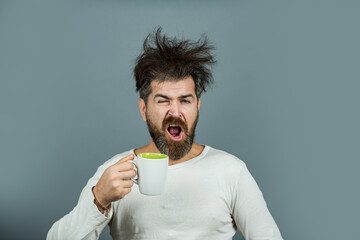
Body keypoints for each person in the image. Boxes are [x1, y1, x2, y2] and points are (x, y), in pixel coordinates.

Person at [47, 28, 283, 240]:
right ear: (143, 109)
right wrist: (99, 199)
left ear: (197, 106)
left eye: (185, 100)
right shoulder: (115, 173)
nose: (175, 112)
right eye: (163, 101)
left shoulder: (231, 171)